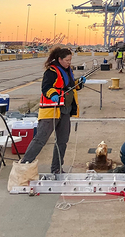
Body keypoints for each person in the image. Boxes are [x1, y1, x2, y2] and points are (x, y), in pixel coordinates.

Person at [20, 46, 86, 174]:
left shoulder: (68, 71)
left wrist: (79, 83)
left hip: (65, 110)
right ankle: (24, 166)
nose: (69, 63)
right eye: (67, 60)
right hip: (51, 111)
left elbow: (70, 87)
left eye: (70, 60)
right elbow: (46, 88)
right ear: (59, 59)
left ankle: (57, 168)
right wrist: (53, 95)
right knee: (40, 139)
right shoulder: (51, 72)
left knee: (62, 141)